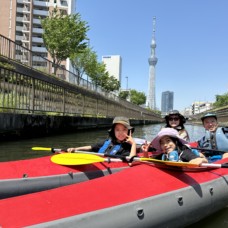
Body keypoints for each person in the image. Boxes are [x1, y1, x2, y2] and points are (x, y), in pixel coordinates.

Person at [67, 116, 137, 158]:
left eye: (124, 129)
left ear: (129, 131)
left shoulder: (128, 147)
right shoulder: (107, 142)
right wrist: (75, 149)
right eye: (117, 130)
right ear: (113, 131)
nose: (121, 133)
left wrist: (133, 144)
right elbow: (91, 147)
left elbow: (131, 162)